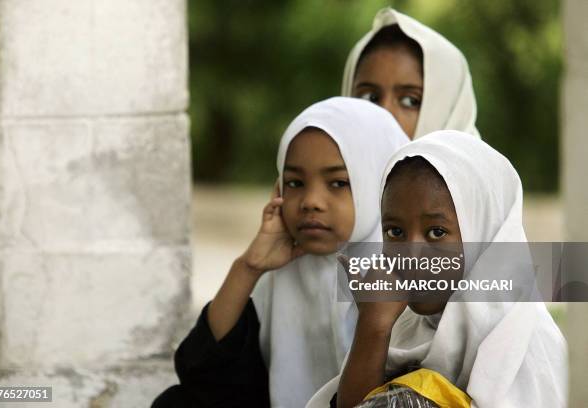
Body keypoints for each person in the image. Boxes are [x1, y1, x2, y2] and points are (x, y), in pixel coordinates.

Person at [152, 97, 409, 408]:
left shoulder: (408, 272)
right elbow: (203, 374)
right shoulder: (284, 274)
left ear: (383, 184)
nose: (311, 201)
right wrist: (248, 268)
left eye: (339, 182)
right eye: (295, 182)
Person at [307, 131, 567, 408]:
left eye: (436, 232)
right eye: (395, 231)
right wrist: (373, 328)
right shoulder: (399, 330)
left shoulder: (527, 348)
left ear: (484, 233)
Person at [343, 8, 479, 139]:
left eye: (410, 101)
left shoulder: (483, 163)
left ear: (449, 112)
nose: (384, 116)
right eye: (370, 98)